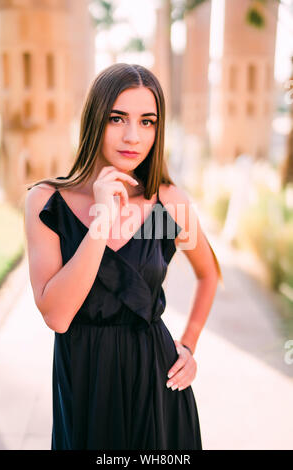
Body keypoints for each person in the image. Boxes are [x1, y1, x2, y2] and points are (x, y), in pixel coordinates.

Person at [24, 63, 223, 450]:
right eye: (118, 118)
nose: (133, 136)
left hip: (156, 381)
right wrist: (101, 221)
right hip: (83, 381)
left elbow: (209, 273)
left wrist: (189, 346)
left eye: (147, 121)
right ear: (96, 118)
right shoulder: (47, 202)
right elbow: (57, 316)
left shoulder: (168, 203)